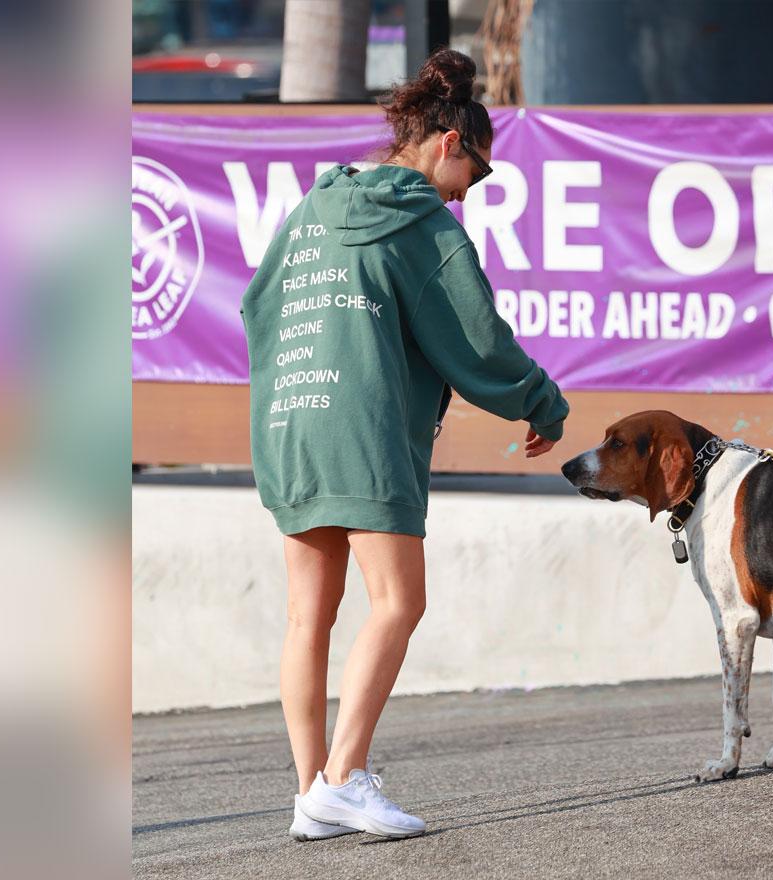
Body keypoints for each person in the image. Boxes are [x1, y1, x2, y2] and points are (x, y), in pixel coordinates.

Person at [240, 48, 569, 841]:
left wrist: (292, 393)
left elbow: (256, 307)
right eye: (477, 174)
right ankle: (345, 778)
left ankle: (310, 794)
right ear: (448, 143)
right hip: (364, 426)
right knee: (400, 601)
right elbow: (476, 335)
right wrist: (539, 401)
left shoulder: (310, 210)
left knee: (306, 617)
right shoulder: (424, 221)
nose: (471, 195)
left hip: (289, 419)